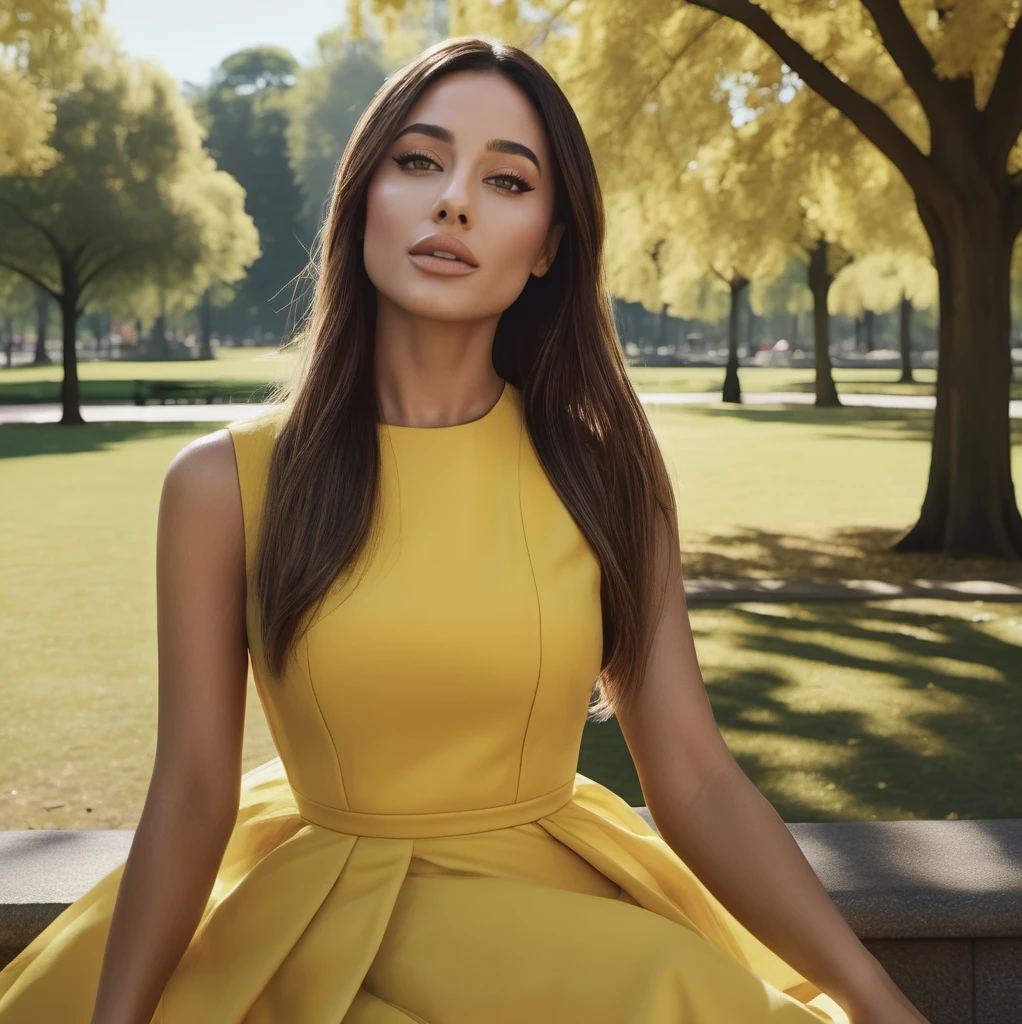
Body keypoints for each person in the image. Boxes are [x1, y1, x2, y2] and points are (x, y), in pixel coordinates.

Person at [0, 36, 931, 1024]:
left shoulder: (605, 475)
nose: (453, 200)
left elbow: (695, 777)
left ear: (548, 245)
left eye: (506, 180)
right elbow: (191, 792)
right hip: (329, 915)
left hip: (559, 905)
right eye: (418, 161)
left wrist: (873, 995)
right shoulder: (222, 486)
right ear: (364, 196)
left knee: (673, 988)